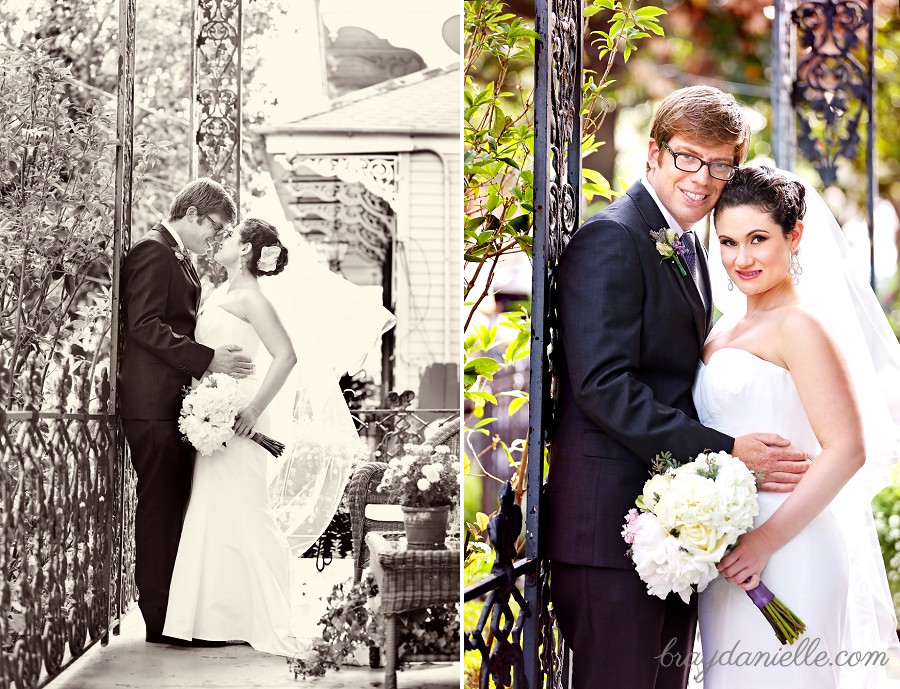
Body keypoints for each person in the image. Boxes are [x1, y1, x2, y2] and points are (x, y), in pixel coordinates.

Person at [545, 86, 810, 689]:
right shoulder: (613, 238)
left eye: (720, 165)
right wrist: (724, 450)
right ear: (654, 156)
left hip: (670, 534)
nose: (703, 178)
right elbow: (604, 386)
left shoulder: (690, 245)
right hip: (608, 533)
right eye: (688, 158)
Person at [695, 165, 900, 688]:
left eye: (758, 239)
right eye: (728, 241)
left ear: (795, 236)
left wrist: (764, 541)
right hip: (724, 553)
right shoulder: (724, 326)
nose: (742, 258)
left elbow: (847, 448)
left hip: (790, 547)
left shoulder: (800, 325)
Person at [162, 217, 395, 654]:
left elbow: (286, 356)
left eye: (229, 236)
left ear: (247, 249)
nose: (220, 240)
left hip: (242, 413)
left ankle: (266, 615)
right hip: (216, 408)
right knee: (213, 507)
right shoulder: (223, 292)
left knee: (248, 507)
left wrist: (251, 409)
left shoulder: (253, 297)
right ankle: (214, 618)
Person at [119, 178, 251, 645]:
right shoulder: (153, 252)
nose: (215, 238)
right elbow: (143, 325)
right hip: (152, 408)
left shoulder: (177, 258)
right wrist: (207, 357)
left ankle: (173, 613)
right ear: (193, 214)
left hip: (171, 406)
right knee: (159, 507)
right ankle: (157, 617)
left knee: (173, 506)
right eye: (214, 227)